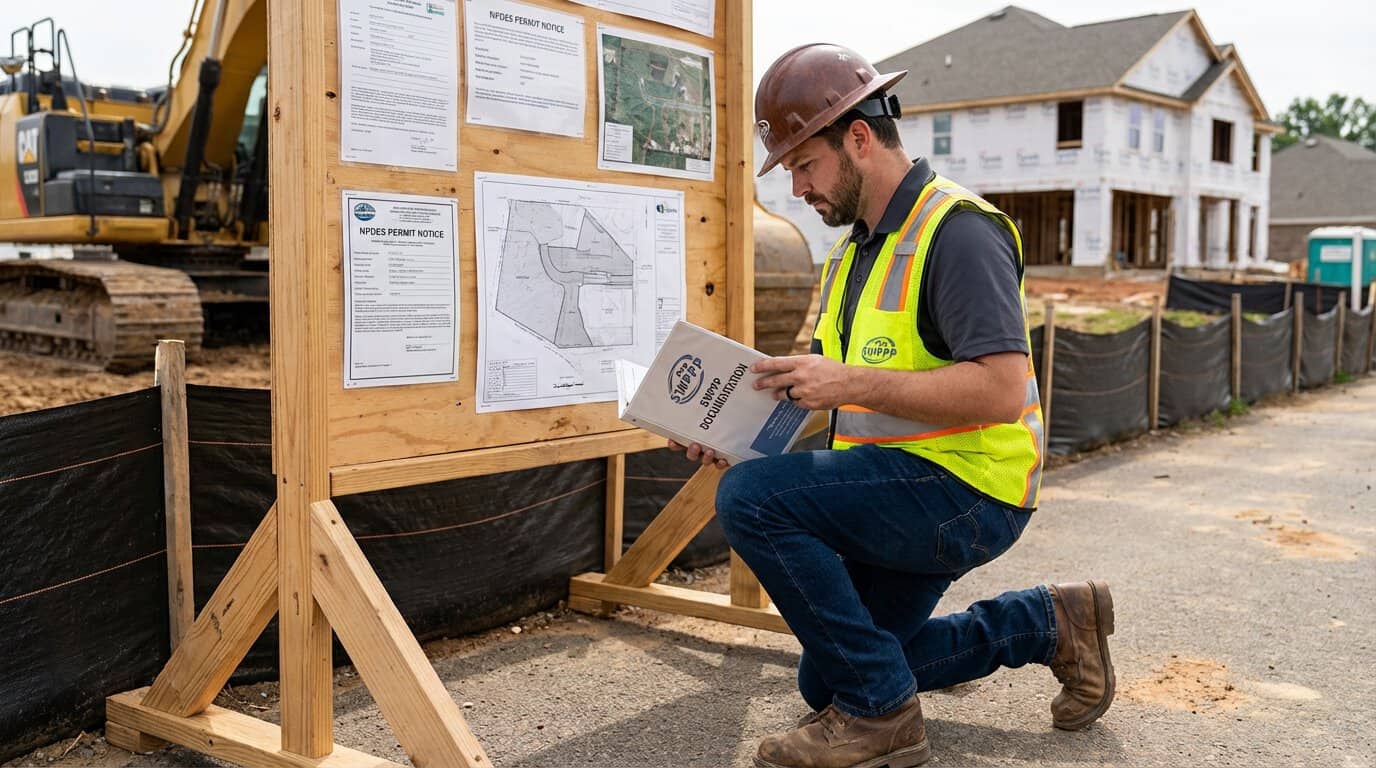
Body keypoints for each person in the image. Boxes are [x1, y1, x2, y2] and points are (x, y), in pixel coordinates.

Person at [670, 43, 1116, 768]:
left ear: (858, 137)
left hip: (969, 488)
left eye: (805, 166)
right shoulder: (856, 253)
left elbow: (1002, 390)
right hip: (898, 484)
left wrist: (849, 384)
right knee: (828, 674)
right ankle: (1048, 623)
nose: (799, 189)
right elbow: (817, 385)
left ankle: (882, 717)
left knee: (751, 502)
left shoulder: (958, 232)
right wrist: (732, 431)